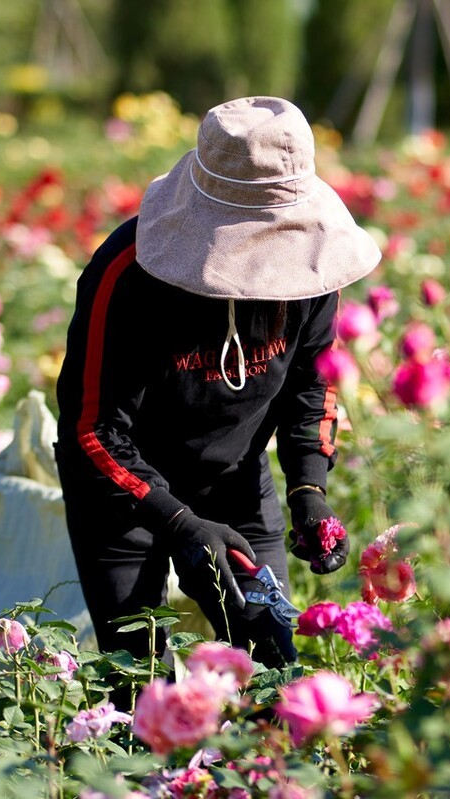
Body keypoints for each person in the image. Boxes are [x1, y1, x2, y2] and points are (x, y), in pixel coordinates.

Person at [54, 97, 380, 682]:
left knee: (273, 665)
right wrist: (178, 523)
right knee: (138, 682)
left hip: (236, 479)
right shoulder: (127, 274)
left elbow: (313, 383)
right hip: (124, 495)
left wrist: (309, 487)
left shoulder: (312, 267)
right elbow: (91, 430)